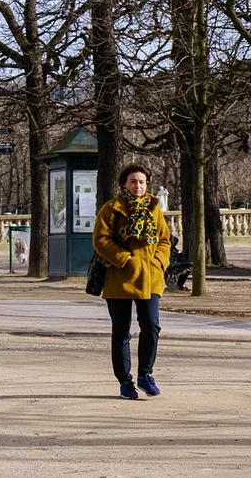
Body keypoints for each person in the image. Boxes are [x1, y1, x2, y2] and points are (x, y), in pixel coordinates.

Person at [92, 162, 171, 400]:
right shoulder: (111, 208)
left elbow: (165, 240)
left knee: (151, 326)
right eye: (133, 181)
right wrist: (125, 259)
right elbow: (100, 239)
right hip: (119, 277)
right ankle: (125, 382)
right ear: (124, 184)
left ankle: (145, 375)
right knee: (122, 332)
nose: (138, 186)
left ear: (147, 185)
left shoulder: (154, 208)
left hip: (150, 277)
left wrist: (159, 262)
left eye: (142, 182)